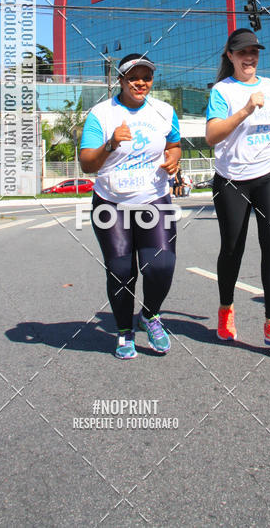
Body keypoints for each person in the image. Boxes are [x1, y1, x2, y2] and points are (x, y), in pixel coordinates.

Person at [205, 28, 270, 350]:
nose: (249, 57)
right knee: (232, 248)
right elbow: (211, 136)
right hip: (232, 179)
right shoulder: (222, 91)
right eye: (242, 52)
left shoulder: (268, 85)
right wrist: (245, 110)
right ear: (230, 56)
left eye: (253, 52)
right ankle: (226, 309)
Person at [79, 53, 182, 359]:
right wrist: (110, 144)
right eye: (133, 78)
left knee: (162, 265)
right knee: (121, 270)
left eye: (146, 78)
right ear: (121, 80)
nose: (140, 83)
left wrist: (173, 159)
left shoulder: (164, 111)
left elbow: (174, 145)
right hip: (111, 203)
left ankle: (150, 315)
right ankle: (124, 331)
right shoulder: (102, 114)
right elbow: (87, 164)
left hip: (154, 198)